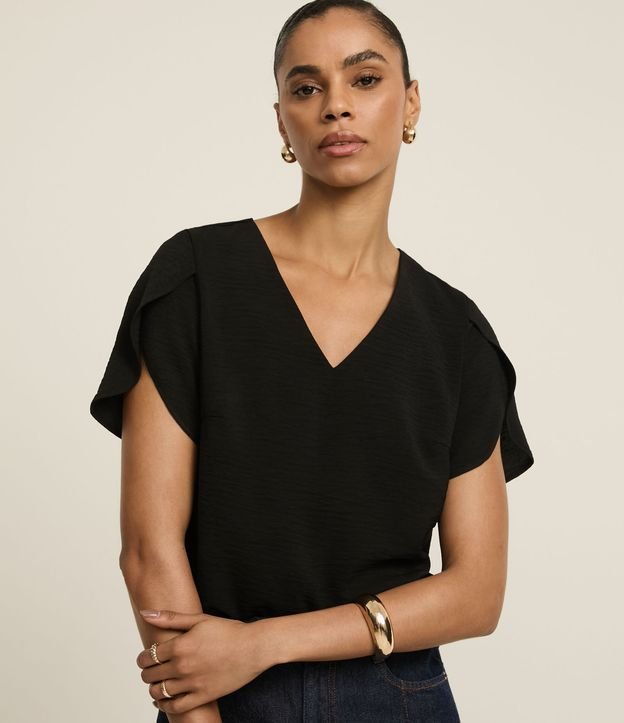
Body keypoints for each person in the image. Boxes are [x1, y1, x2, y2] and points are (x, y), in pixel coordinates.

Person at [89, 1, 535, 721]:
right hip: (221, 697)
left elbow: (477, 592)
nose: (336, 106)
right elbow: (148, 547)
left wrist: (265, 643)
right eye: (306, 87)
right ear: (282, 122)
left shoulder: (458, 335)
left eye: (365, 79)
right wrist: (199, 710)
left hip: (400, 696)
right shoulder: (197, 278)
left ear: (410, 103)